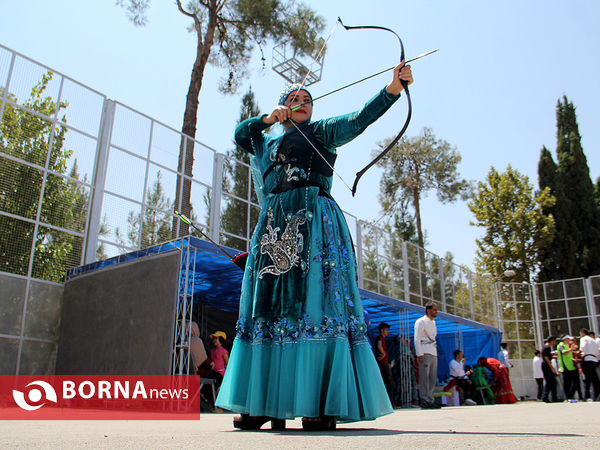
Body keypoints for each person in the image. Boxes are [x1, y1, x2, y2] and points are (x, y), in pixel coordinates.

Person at [215, 62, 414, 430]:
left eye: (307, 99)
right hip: (275, 223)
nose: (302, 101)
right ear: (282, 106)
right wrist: (265, 119)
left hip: (315, 221)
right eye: (293, 98)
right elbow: (241, 135)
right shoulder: (265, 139)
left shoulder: (320, 131)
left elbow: (357, 119)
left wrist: (392, 89)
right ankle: (262, 405)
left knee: (316, 304)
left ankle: (319, 404)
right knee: (269, 308)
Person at [414, 301, 440, 409]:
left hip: (433, 352)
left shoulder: (433, 322)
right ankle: (424, 399)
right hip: (424, 351)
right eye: (434, 309)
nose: (436, 312)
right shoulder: (420, 321)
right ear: (428, 310)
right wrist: (419, 353)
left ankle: (430, 398)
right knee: (424, 377)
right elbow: (417, 338)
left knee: (432, 378)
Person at [375, 322, 394, 405]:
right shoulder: (380, 338)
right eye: (386, 330)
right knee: (389, 383)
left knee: (389, 383)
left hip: (385, 363)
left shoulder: (383, 339)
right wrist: (384, 354)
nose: (388, 332)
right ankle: (388, 402)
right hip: (382, 364)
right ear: (382, 330)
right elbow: (379, 345)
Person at [579, 328, 600, 401]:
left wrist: (579, 353)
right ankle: (596, 396)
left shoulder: (584, 338)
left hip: (587, 359)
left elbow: (582, 348)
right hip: (594, 360)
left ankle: (586, 396)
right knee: (595, 379)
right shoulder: (593, 340)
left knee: (587, 379)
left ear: (582, 333)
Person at [557, 335, 579, 401]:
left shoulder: (567, 346)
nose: (569, 340)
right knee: (567, 383)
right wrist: (571, 349)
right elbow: (564, 352)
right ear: (565, 339)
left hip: (572, 366)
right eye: (568, 339)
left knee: (576, 382)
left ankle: (571, 395)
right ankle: (568, 397)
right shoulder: (561, 345)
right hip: (565, 367)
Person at [542, 336, 559, 402]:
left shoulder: (545, 347)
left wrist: (555, 356)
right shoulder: (547, 348)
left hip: (546, 365)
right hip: (546, 366)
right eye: (554, 341)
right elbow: (546, 358)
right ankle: (545, 397)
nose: (554, 343)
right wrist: (552, 367)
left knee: (552, 382)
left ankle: (554, 397)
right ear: (551, 341)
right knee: (549, 382)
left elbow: (548, 356)